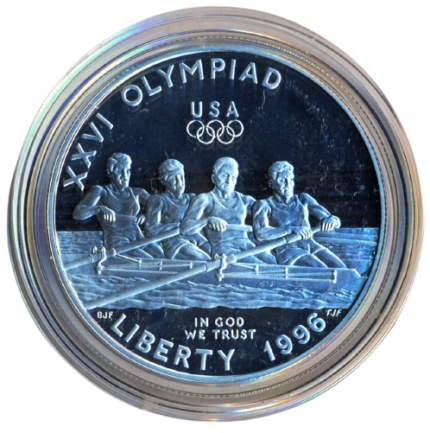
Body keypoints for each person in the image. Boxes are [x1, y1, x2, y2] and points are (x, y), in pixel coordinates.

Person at [252, 161, 347, 268]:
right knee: (322, 269)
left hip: (310, 245)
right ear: (271, 184)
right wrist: (290, 229)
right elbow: (260, 233)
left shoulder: (303, 199)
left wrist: (332, 220)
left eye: (291, 180)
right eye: (282, 181)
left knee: (341, 268)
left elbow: (332, 220)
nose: (288, 185)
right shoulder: (263, 205)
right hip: (287, 250)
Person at [181, 157, 275, 263]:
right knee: (258, 264)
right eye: (224, 176)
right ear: (213, 178)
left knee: (271, 260)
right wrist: (208, 220)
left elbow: (268, 213)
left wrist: (264, 206)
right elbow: (185, 229)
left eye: (233, 177)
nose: (228, 181)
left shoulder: (244, 200)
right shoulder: (205, 199)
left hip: (246, 244)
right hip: (224, 249)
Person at [72, 152, 162, 258]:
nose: (125, 175)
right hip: (118, 242)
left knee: (163, 256)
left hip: (139, 238)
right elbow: (77, 214)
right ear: (110, 173)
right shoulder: (101, 191)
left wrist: (147, 216)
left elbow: (160, 207)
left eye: (127, 170)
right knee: (148, 260)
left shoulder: (137, 192)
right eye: (120, 170)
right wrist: (98, 209)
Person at [144, 159, 210, 260]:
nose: (180, 181)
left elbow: (202, 222)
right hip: (173, 241)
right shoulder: (159, 200)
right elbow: (151, 229)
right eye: (173, 178)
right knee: (202, 258)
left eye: (181, 176)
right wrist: (179, 225)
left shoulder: (191, 198)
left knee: (213, 251)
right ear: (163, 181)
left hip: (195, 237)